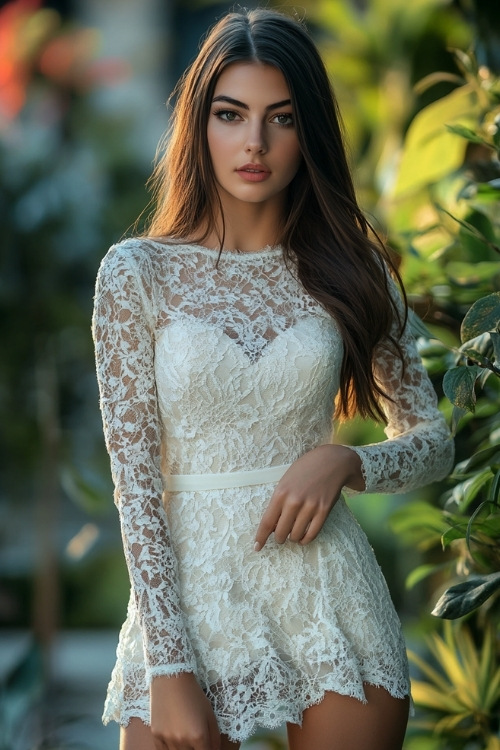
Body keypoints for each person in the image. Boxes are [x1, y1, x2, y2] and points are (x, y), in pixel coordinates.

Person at [92, 7, 454, 750]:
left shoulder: (350, 270)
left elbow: (434, 441)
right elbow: (135, 483)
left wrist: (348, 461)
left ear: (308, 132)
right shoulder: (137, 274)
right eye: (231, 115)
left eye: (280, 119)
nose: (253, 143)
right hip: (187, 605)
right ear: (200, 125)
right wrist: (169, 664)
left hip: (328, 599)